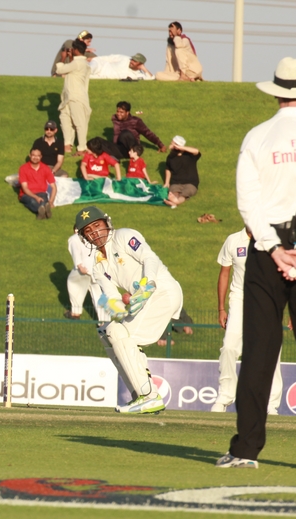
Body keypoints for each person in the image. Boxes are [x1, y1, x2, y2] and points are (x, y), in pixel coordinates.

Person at [218, 57, 296, 468]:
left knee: (259, 353)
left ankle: (245, 450)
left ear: (278, 92)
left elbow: (247, 204)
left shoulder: (258, 136)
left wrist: (274, 247)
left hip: (268, 251)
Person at [75, 205, 183, 414]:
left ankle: (150, 396)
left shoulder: (124, 236)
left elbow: (149, 257)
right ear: (84, 238)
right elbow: (112, 299)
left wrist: (146, 283)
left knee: (118, 332)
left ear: (107, 223)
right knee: (107, 333)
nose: (94, 233)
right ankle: (140, 393)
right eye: (88, 231)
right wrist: (124, 305)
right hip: (142, 301)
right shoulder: (98, 266)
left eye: (97, 225)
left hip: (162, 291)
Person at [213, 227, 283, 415]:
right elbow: (224, 273)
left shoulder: (274, 240)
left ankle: (271, 404)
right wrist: (221, 308)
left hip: (269, 300)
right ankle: (225, 396)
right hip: (240, 299)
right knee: (229, 346)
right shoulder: (233, 240)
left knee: (271, 351)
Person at [55, 39, 90, 156]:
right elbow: (70, 69)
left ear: (76, 50)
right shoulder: (81, 63)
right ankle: (67, 145)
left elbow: (60, 70)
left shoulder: (78, 63)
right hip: (69, 97)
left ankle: (81, 148)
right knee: (65, 119)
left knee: (79, 123)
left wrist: (63, 58)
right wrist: (70, 58)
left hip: (76, 97)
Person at [65, 229, 109, 321]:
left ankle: (75, 313)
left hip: (84, 268)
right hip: (96, 268)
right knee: (98, 295)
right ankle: (104, 321)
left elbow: (75, 252)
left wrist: (79, 265)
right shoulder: (92, 235)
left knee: (73, 284)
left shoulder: (74, 238)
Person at [18, 148, 57, 220]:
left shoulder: (46, 168)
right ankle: (42, 210)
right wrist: (36, 197)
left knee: (43, 199)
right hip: (26, 194)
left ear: (41, 157)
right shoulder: (23, 168)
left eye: (38, 156)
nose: (35, 157)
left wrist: (51, 201)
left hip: (41, 193)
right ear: (29, 155)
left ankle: (42, 211)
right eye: (33, 155)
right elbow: (25, 188)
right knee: (32, 201)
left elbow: (53, 187)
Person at [164, 136, 201, 207]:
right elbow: (168, 169)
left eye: (172, 144)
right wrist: (167, 183)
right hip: (176, 183)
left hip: (191, 183)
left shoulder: (190, 155)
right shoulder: (171, 157)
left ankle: (176, 201)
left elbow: (196, 151)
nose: (170, 146)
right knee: (173, 193)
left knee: (185, 194)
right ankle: (173, 201)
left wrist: (181, 148)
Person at [89, 53, 153, 81]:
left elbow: (151, 78)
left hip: (102, 77)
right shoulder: (125, 58)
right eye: (132, 59)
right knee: (89, 70)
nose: (132, 62)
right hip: (101, 66)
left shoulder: (139, 75)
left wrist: (144, 68)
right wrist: (93, 58)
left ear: (140, 64)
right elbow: (109, 58)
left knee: (88, 78)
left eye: (135, 61)